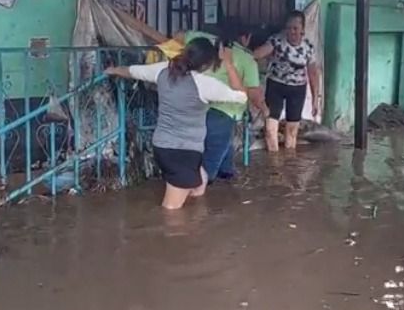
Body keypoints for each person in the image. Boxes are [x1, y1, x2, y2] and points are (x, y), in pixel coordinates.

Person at [105, 38, 247, 209]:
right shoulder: (204, 84)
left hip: (164, 146)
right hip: (183, 152)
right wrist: (229, 64)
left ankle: (194, 224)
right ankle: (166, 233)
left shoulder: (163, 71)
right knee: (171, 211)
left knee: (200, 184)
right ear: (207, 64)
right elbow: (241, 96)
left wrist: (112, 70)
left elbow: (132, 71)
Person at [190, 24, 266, 183]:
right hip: (223, 114)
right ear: (247, 38)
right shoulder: (247, 59)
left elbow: (176, 37)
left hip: (197, 108)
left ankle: (226, 174)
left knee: (223, 159)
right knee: (207, 170)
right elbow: (253, 95)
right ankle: (194, 195)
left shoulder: (206, 44)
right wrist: (265, 109)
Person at [254, 11, 320, 152]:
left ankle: (290, 165)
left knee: (292, 131)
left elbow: (313, 74)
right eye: (289, 28)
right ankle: (274, 165)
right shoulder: (276, 40)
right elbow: (260, 53)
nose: (291, 31)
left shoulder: (308, 48)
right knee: (271, 128)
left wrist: (315, 99)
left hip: (297, 90)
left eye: (295, 28)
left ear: (303, 29)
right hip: (275, 86)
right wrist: (245, 55)